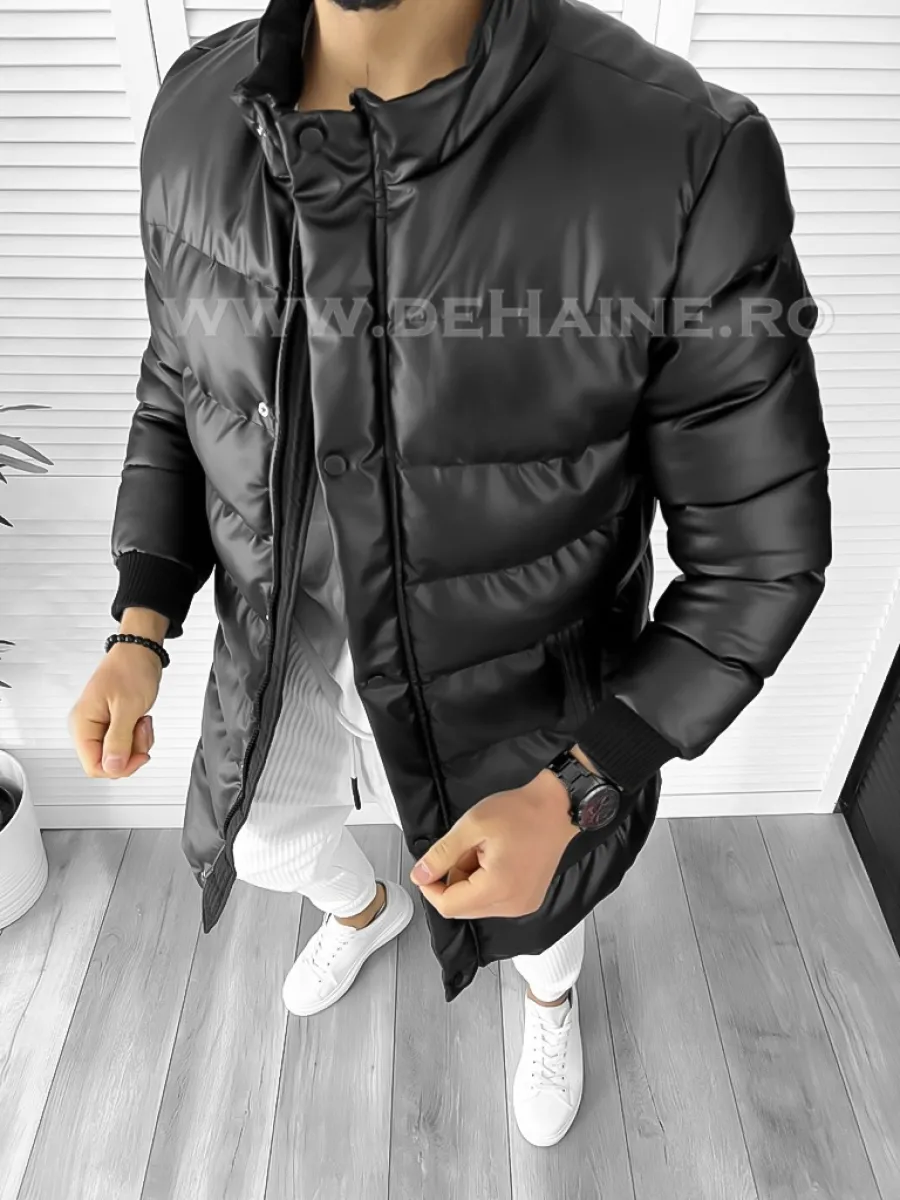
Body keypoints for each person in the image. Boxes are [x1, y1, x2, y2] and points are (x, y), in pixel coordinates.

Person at [68, 0, 832, 1149]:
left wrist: (581, 787)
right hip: (281, 644)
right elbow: (179, 391)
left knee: (537, 911)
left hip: (514, 693)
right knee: (265, 841)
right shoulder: (194, 112)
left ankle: (550, 1000)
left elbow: (760, 556)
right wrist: (141, 623)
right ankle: (365, 912)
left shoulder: (680, 154)